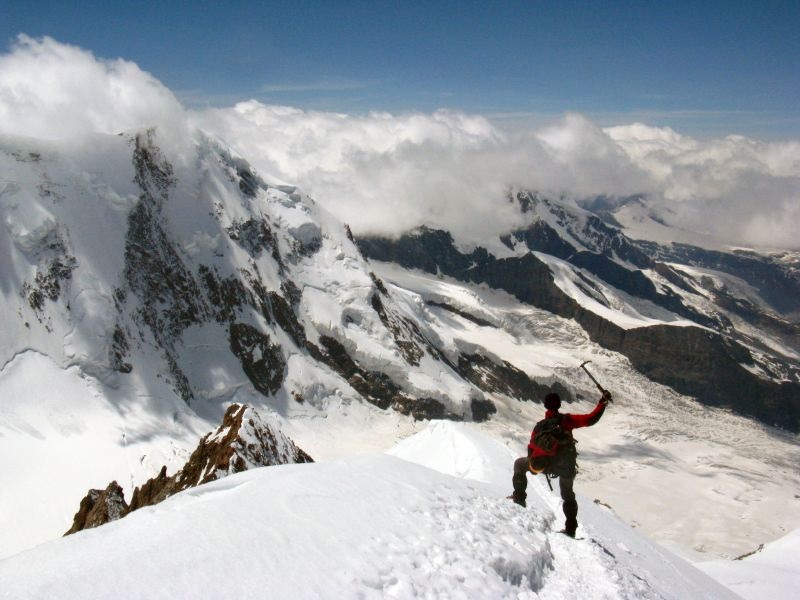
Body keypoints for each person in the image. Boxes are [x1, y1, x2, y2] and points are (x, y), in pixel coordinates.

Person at [511, 390, 610, 537]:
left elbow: (532, 448)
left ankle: (519, 499)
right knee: (568, 494)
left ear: (545, 406)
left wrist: (535, 464)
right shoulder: (567, 420)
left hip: (543, 465)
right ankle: (570, 528)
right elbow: (590, 419)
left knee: (519, 464)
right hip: (565, 466)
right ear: (559, 405)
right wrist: (602, 403)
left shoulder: (540, 426)